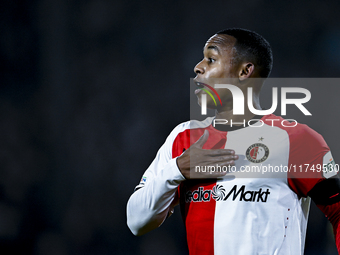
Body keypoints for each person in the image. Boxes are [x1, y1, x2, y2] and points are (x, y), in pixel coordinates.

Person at [126, 28, 340, 254]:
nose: (198, 67)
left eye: (211, 59)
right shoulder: (183, 137)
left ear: (245, 71)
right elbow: (136, 221)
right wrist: (177, 169)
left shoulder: (295, 139)